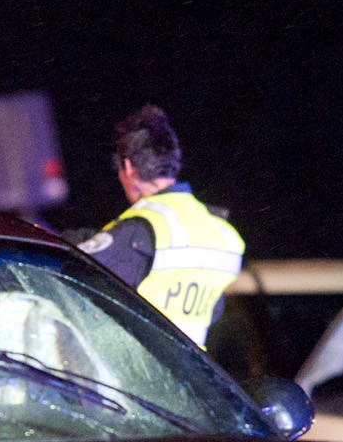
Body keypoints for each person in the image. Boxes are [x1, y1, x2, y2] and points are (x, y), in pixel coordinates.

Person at [77, 105, 243, 348]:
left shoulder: (142, 228)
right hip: (188, 378)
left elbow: (76, 277)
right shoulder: (224, 235)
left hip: (134, 372)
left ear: (129, 168)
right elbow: (215, 311)